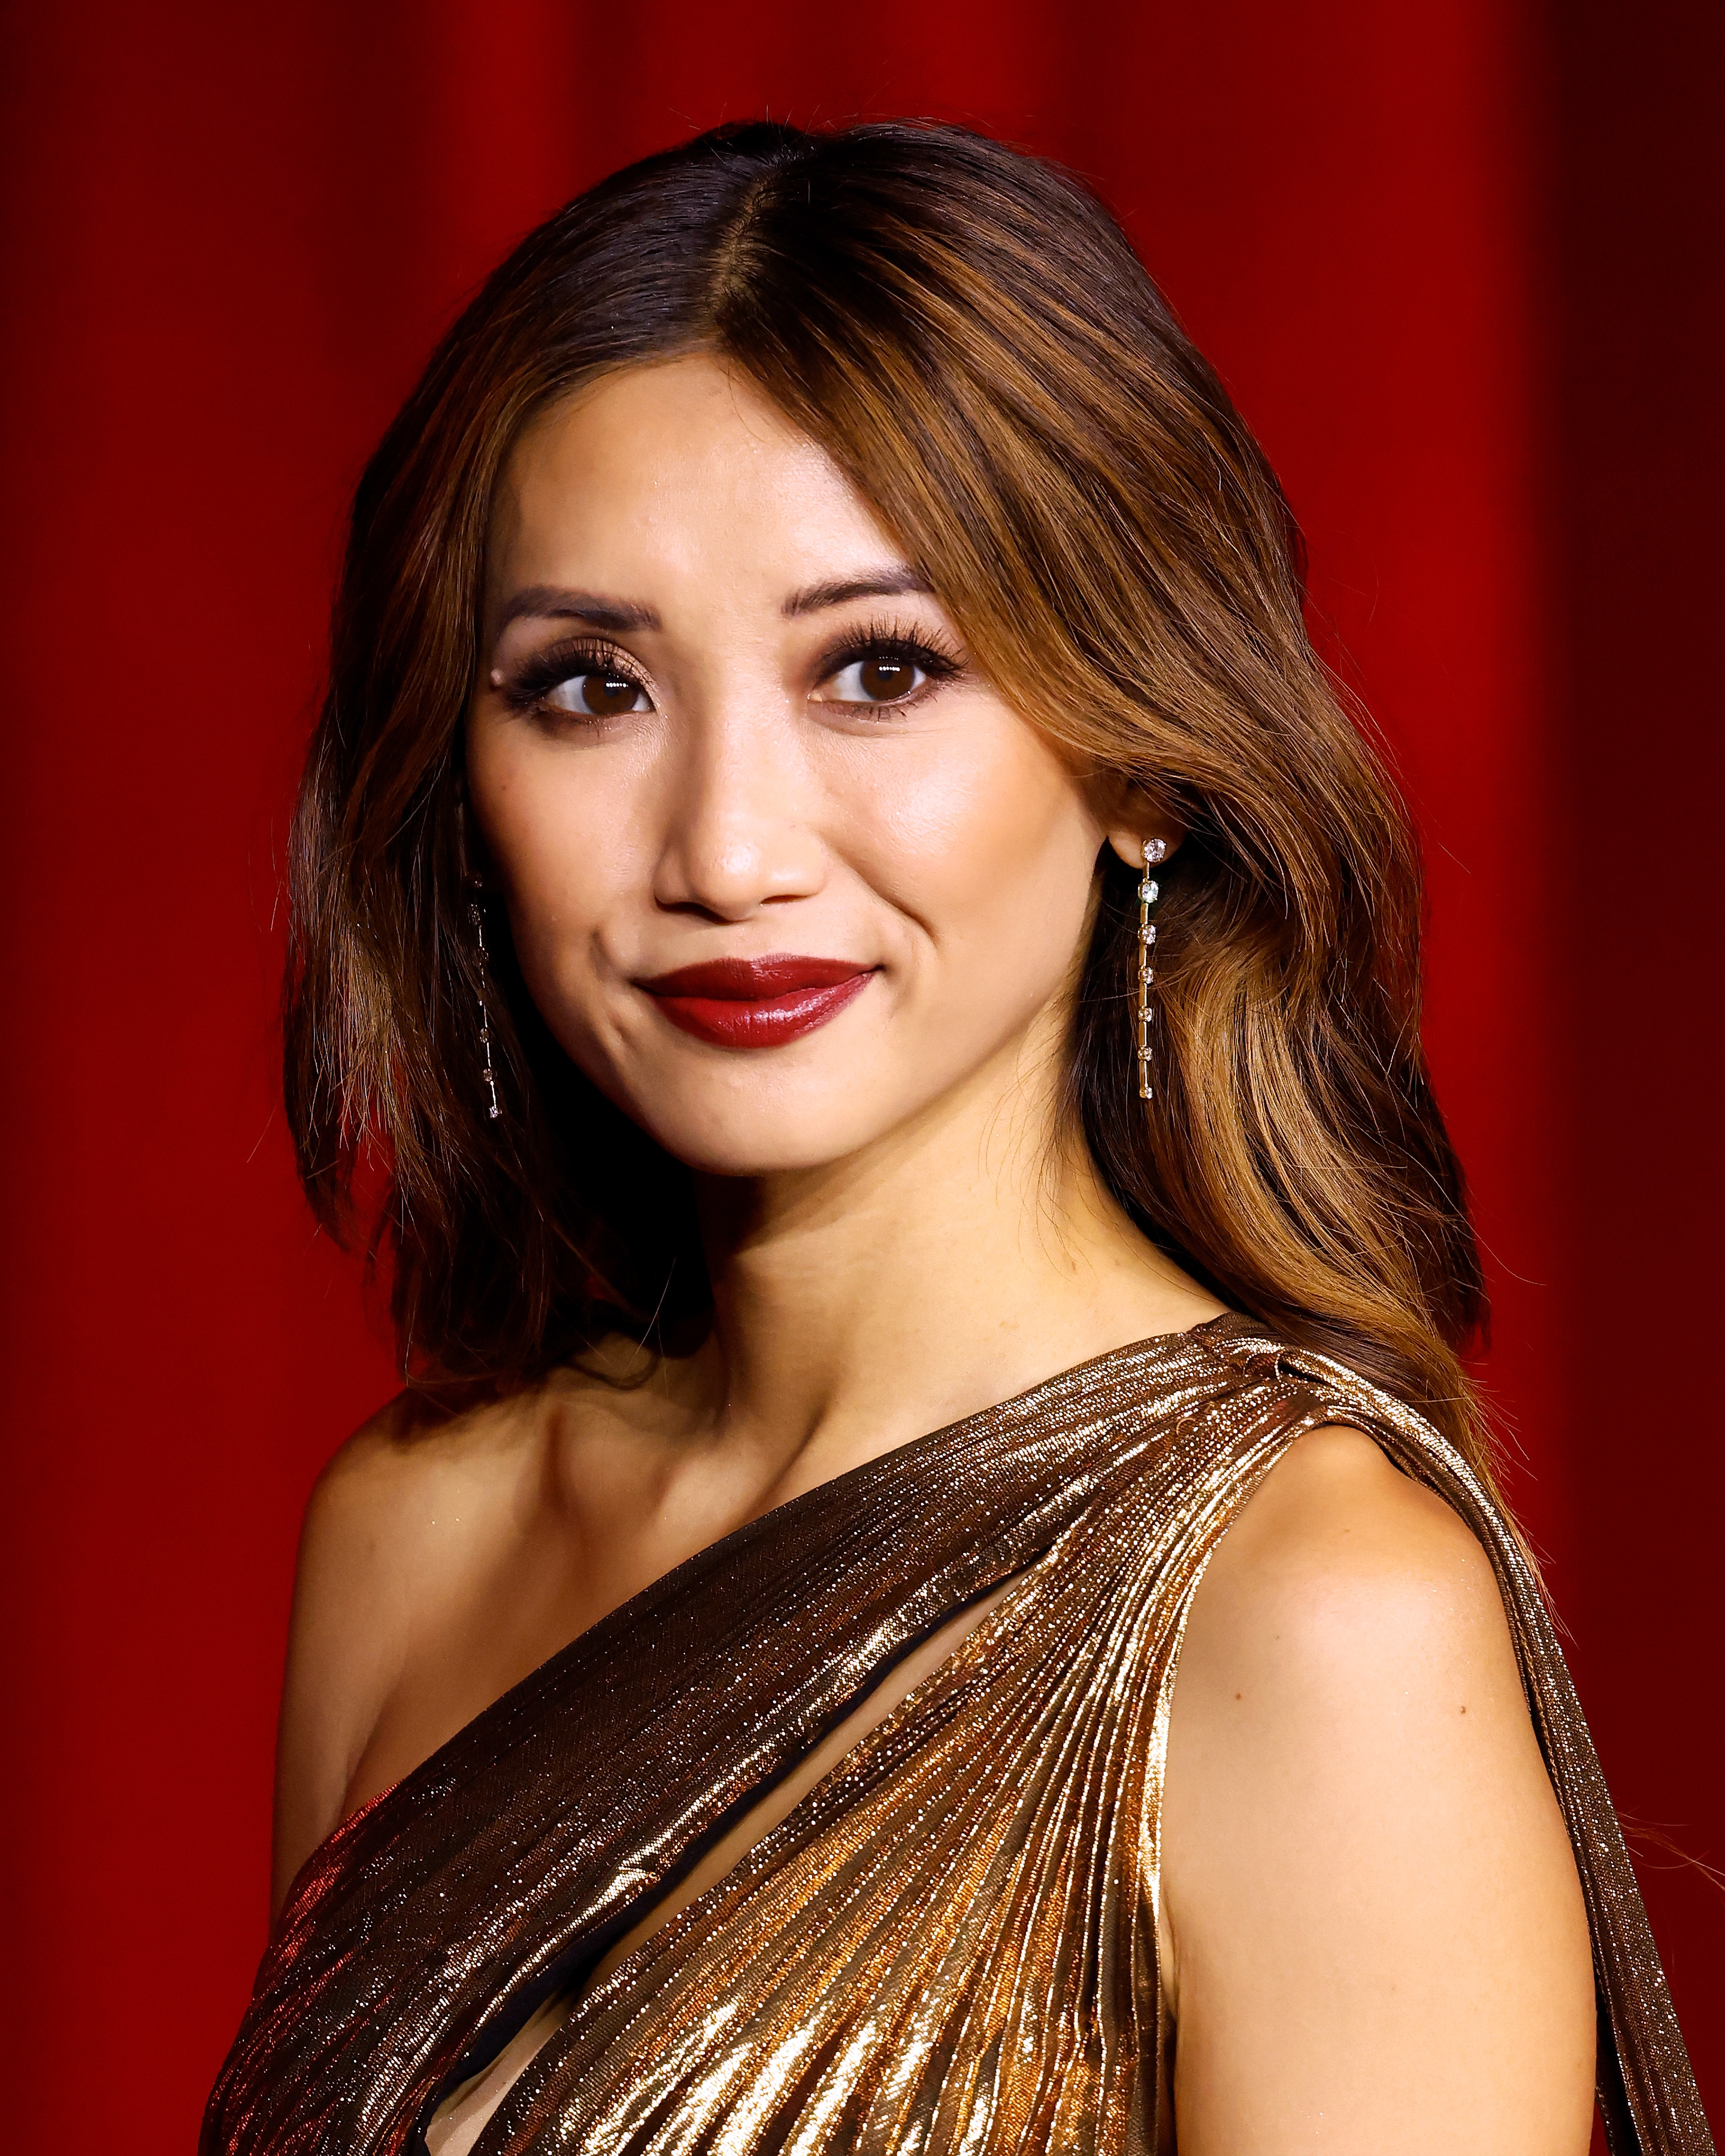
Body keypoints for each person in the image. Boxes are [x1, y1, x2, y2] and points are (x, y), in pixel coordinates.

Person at [202, 121, 1710, 2156]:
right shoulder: (415, 1528)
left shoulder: (1310, 1616)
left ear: (1143, 766)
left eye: (881, 670)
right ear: (456, 782)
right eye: (586, 687)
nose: (726, 850)